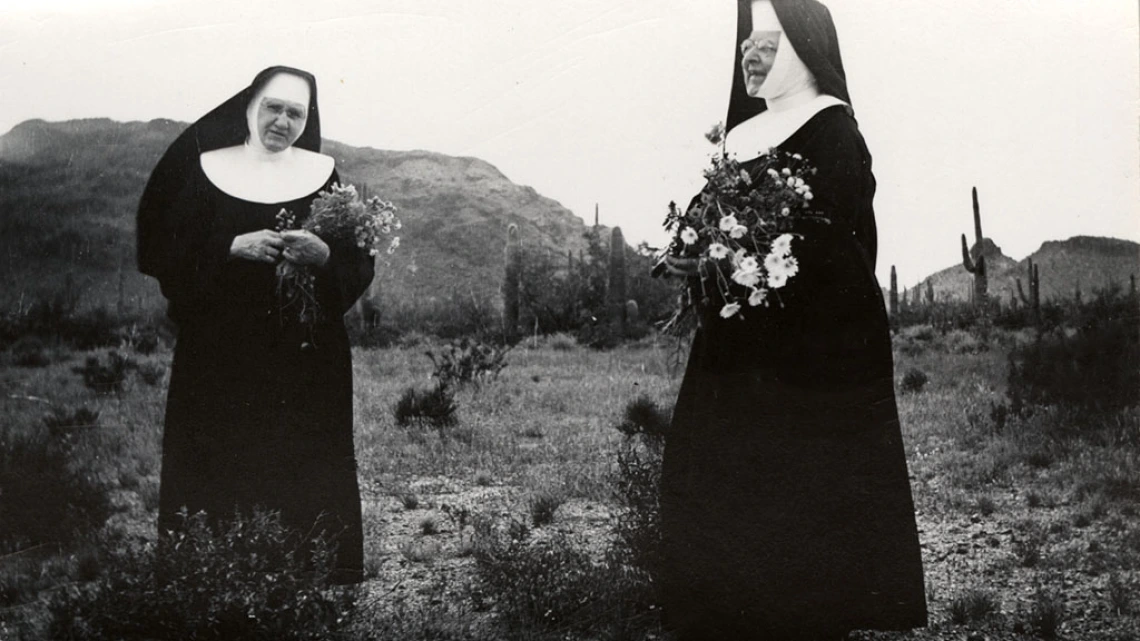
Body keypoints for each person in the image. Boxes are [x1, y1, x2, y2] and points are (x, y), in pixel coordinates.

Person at [658, 1, 928, 638]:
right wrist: (696, 256)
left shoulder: (832, 130)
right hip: (733, 354)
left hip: (802, 359)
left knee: (790, 496)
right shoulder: (745, 134)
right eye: (746, 42)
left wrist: (761, 264)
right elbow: (707, 217)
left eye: (768, 42)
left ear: (806, 49)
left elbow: (846, 244)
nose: (749, 54)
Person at [137, 66, 374, 584]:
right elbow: (161, 251)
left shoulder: (324, 173)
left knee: (303, 451)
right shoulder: (203, 170)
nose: (283, 121)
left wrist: (325, 252)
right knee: (219, 450)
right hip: (221, 349)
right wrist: (228, 247)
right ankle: (209, 572)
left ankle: (311, 570)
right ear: (249, 106)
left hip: (306, 352)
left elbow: (361, 261)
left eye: (297, 113)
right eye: (274, 107)